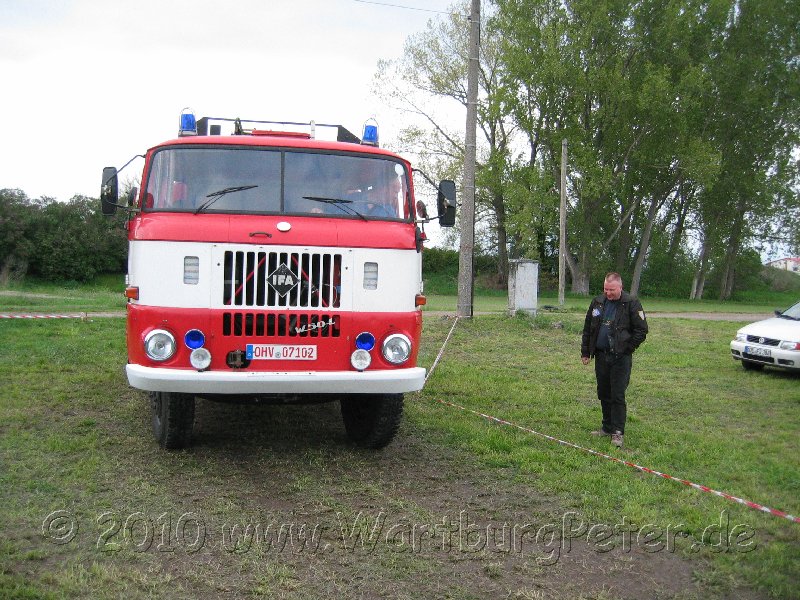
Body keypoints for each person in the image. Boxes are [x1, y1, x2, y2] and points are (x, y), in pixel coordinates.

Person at [581, 272, 648, 448]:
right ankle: (606, 427)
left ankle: (617, 432)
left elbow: (642, 330)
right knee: (603, 392)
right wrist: (586, 352)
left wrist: (627, 348)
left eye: (611, 290)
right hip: (601, 356)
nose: (608, 293)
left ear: (620, 287)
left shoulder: (631, 303)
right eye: (605, 289)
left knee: (617, 394)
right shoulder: (597, 302)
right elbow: (588, 327)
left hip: (620, 358)